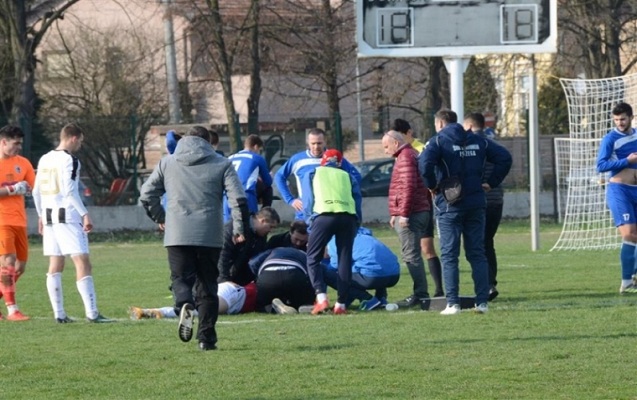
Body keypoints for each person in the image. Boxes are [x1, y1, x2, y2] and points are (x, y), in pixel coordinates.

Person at [140, 125, 250, 351]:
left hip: (177, 233)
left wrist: (162, 217)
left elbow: (146, 194)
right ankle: (206, 339)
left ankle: (184, 304)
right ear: (209, 141)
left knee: (180, 278)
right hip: (210, 234)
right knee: (208, 287)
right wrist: (239, 228)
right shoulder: (222, 164)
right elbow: (238, 199)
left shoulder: (167, 162)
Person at [420, 110, 512, 315]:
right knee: (477, 253)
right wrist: (491, 182)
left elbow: (424, 164)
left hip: (449, 205)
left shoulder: (438, 141)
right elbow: (505, 158)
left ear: (441, 123)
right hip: (476, 203)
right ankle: (482, 302)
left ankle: (452, 303)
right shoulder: (478, 140)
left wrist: (432, 186)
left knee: (449, 255)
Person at [32, 123, 113, 323]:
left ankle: (59, 315)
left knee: (55, 263)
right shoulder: (70, 160)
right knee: (82, 261)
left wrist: (41, 215)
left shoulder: (45, 158)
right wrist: (84, 214)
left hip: (49, 216)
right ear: (74, 138)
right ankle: (92, 313)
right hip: (67, 216)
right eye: (81, 141)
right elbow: (69, 191)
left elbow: (36, 191)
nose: (80, 146)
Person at [300, 149, 362, 315]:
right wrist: (357, 222)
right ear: (340, 163)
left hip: (323, 216)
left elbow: (308, 201)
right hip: (347, 217)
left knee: (312, 257)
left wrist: (309, 222)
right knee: (344, 259)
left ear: (323, 161)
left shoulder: (313, 173)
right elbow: (357, 199)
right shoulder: (348, 176)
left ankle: (321, 297)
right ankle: (341, 304)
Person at [392, 118, 444, 297]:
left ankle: (437, 289)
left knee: (427, 247)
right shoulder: (401, 152)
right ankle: (426, 290)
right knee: (421, 248)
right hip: (416, 206)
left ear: (409, 133)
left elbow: (418, 180)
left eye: (400, 135)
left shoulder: (420, 150)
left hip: (423, 205)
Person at [382, 130, 432, 309]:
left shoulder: (405, 157)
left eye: (386, 146)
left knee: (411, 255)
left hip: (413, 213)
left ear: (396, 142)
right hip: (416, 211)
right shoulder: (409, 155)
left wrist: (403, 214)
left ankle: (421, 295)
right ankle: (421, 294)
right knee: (412, 254)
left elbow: (408, 188)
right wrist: (395, 213)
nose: (385, 150)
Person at [274, 128, 361, 221]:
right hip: (306, 210)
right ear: (308, 142)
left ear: (325, 142)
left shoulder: (333, 158)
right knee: (301, 234)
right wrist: (290, 200)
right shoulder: (298, 159)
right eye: (313, 143)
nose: (316, 147)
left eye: (319, 143)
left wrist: (345, 195)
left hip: (330, 209)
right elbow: (279, 176)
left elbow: (355, 176)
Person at [596, 102, 637, 294]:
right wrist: (627, 161)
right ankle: (627, 282)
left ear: (630, 117)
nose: (620, 123)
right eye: (617, 120)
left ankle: (632, 277)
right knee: (629, 234)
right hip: (619, 190)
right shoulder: (610, 139)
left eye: (623, 119)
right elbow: (601, 165)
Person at [464, 113, 504, 301]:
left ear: (470, 126)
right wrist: (494, 182)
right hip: (496, 200)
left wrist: (486, 183)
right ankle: (491, 282)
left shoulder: (472, 144)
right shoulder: (492, 143)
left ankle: (486, 284)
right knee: (488, 242)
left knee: (477, 244)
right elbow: (505, 161)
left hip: (480, 200)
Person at [0, 125, 36, 321]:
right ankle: (12, 310)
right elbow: (14, 189)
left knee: (20, 267)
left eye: (20, 143)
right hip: (1, 220)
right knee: (8, 263)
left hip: (20, 221)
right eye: (15, 143)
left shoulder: (23, 163)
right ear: (4, 142)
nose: (19, 147)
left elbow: (34, 186)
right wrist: (13, 189)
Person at [323, 227, 400, 310]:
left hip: (373, 278)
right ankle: (381, 298)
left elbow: (335, 269)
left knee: (329, 274)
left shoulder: (335, 242)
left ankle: (367, 299)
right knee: (371, 266)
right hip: (394, 276)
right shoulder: (366, 237)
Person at [217, 207, 280, 286]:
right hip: (224, 278)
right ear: (262, 221)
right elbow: (223, 256)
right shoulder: (233, 229)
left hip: (243, 281)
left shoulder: (262, 236)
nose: (271, 231)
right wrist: (224, 280)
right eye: (271, 227)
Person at [129, 281, 258, 319]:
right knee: (206, 310)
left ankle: (152, 311)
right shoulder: (261, 289)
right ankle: (158, 312)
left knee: (200, 308)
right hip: (233, 294)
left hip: (229, 292)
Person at [248, 247, 315, 313]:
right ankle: (303, 304)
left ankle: (273, 308)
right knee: (303, 294)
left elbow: (252, 263)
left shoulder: (272, 251)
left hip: (268, 276)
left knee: (261, 305)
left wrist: (259, 277)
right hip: (294, 275)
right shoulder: (302, 253)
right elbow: (317, 270)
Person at [224, 134, 272, 222]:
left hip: (227, 197)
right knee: (249, 229)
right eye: (259, 150)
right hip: (246, 196)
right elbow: (268, 182)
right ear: (256, 146)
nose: (259, 152)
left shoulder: (230, 158)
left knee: (228, 230)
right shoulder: (257, 158)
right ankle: (266, 216)